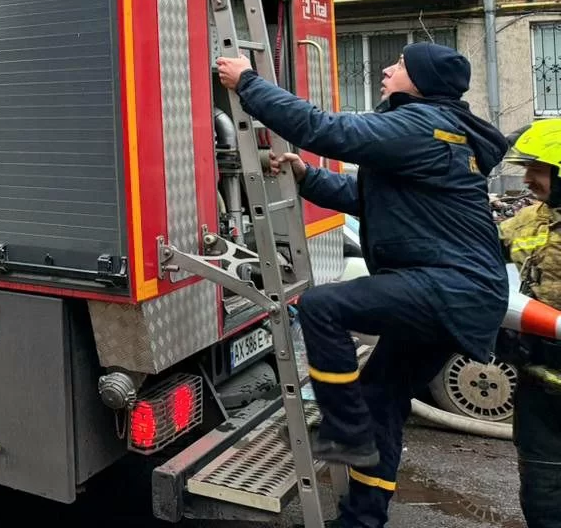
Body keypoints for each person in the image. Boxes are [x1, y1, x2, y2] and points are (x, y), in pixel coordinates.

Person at [216, 42, 509, 528]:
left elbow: (328, 130)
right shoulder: (440, 132)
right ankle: (363, 516)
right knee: (382, 399)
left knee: (321, 307)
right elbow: (369, 197)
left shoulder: (421, 125)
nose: (387, 68)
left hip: (449, 287)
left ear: (420, 81)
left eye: (399, 64)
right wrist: (308, 177)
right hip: (458, 289)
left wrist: (248, 83)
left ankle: (345, 432)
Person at [499, 120, 561, 528]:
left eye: (536, 168)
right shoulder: (529, 223)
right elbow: (480, 248)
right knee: (543, 501)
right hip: (541, 393)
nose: (527, 178)